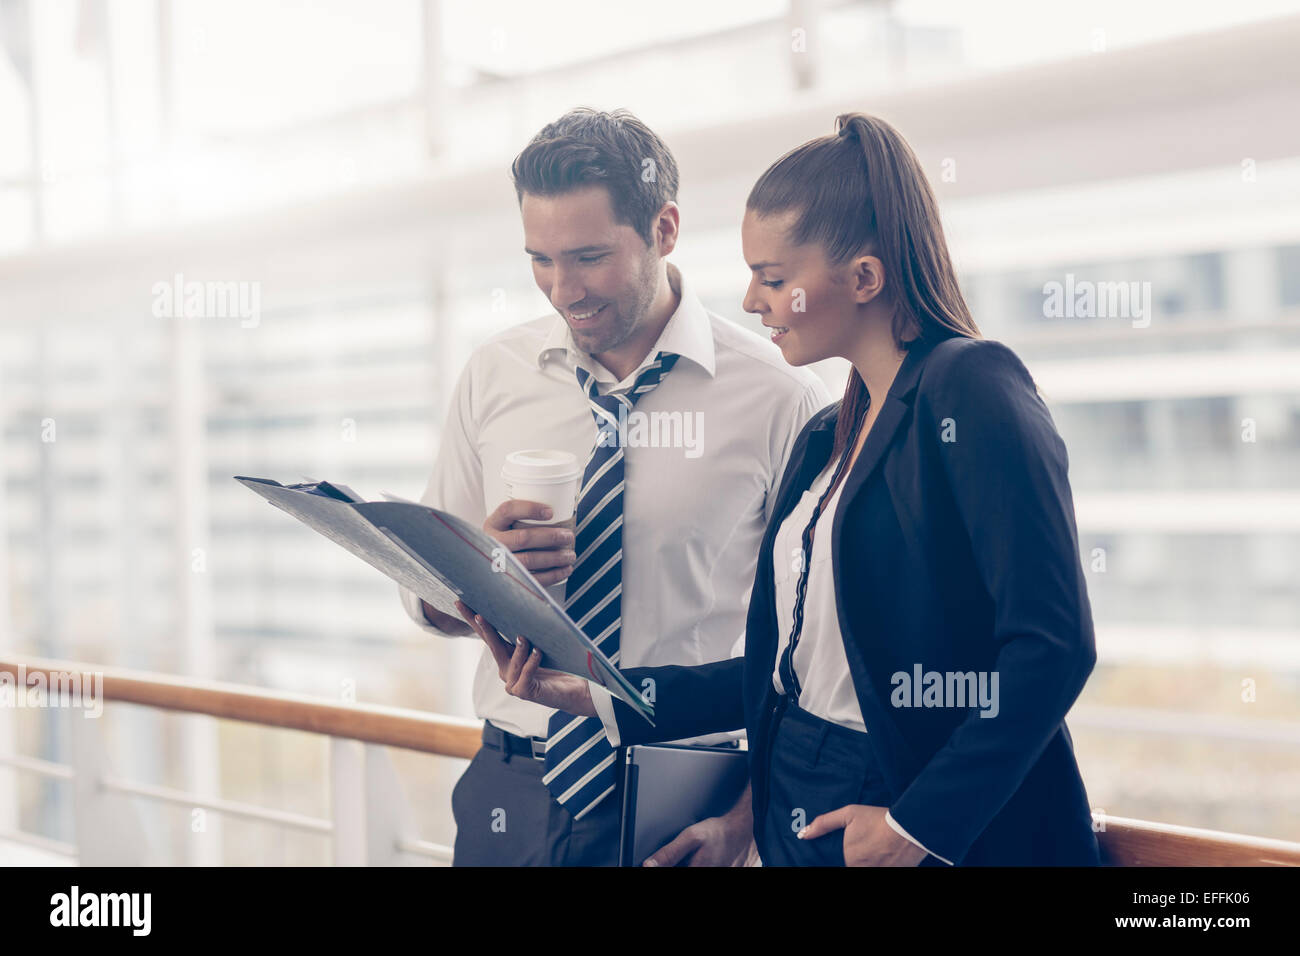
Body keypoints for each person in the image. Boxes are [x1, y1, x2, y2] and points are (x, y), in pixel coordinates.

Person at [460, 112, 1102, 867]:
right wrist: (599, 695)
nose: (752, 300)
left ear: (864, 278)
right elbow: (777, 671)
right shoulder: (827, 435)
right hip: (798, 806)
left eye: (773, 279)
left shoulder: (970, 386)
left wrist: (920, 824)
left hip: (896, 813)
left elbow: (1053, 647)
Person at [399, 108, 830, 866]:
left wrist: (746, 819)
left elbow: (813, 654)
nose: (564, 290)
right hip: (511, 784)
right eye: (540, 259)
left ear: (664, 229)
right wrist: (476, 567)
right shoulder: (494, 375)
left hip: (681, 791)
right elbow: (424, 599)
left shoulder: (779, 399)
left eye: (590, 256)